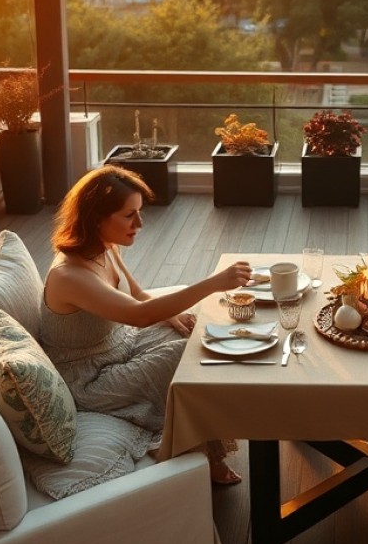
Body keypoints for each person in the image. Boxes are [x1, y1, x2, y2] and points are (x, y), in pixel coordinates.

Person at [41, 166, 252, 485]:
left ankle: (232, 417)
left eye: (139, 213)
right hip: (88, 379)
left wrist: (172, 316)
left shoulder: (103, 248)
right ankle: (199, 452)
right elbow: (139, 315)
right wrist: (213, 283)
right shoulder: (69, 276)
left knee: (198, 327)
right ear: (97, 218)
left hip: (120, 345)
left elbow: (137, 294)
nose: (140, 224)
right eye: (129, 215)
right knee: (188, 354)